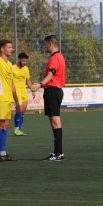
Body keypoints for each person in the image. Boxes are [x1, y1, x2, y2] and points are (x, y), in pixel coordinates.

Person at [33, 33, 66, 162]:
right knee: (55, 122)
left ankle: (58, 153)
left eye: (46, 44)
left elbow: (51, 73)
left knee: (55, 122)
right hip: (56, 91)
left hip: (52, 91)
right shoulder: (60, 57)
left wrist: (41, 84)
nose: (45, 47)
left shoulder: (54, 58)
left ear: (50, 44)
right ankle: (59, 152)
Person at [12, 52, 36, 136]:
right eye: (23, 61)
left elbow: (28, 81)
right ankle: (16, 129)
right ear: (19, 59)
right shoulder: (13, 68)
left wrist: (32, 89)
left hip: (23, 92)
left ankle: (19, 130)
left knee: (23, 111)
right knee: (20, 109)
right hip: (16, 92)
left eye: (26, 61)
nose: (24, 63)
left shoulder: (26, 69)